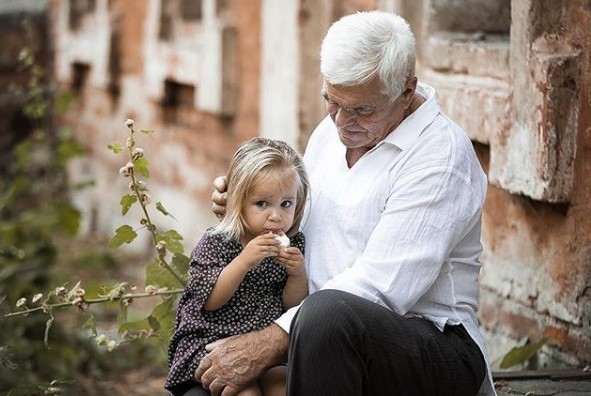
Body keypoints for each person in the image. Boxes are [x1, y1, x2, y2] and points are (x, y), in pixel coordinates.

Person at [199, 10, 497, 396]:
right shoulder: (336, 129)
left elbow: (382, 287)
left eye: (361, 109)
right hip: (315, 338)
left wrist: (272, 340)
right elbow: (295, 224)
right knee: (205, 380)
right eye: (331, 101)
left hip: (431, 346)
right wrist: (246, 206)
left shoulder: (440, 157)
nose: (341, 122)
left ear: (407, 91)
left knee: (326, 317)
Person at [165, 137, 310, 396]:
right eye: (262, 204)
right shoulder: (218, 241)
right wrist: (244, 261)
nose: (275, 215)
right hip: (213, 339)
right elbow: (210, 301)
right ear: (238, 202)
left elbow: (292, 304)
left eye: (286, 204)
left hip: (262, 343)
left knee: (283, 384)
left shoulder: (294, 243)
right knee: (246, 392)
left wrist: (296, 273)